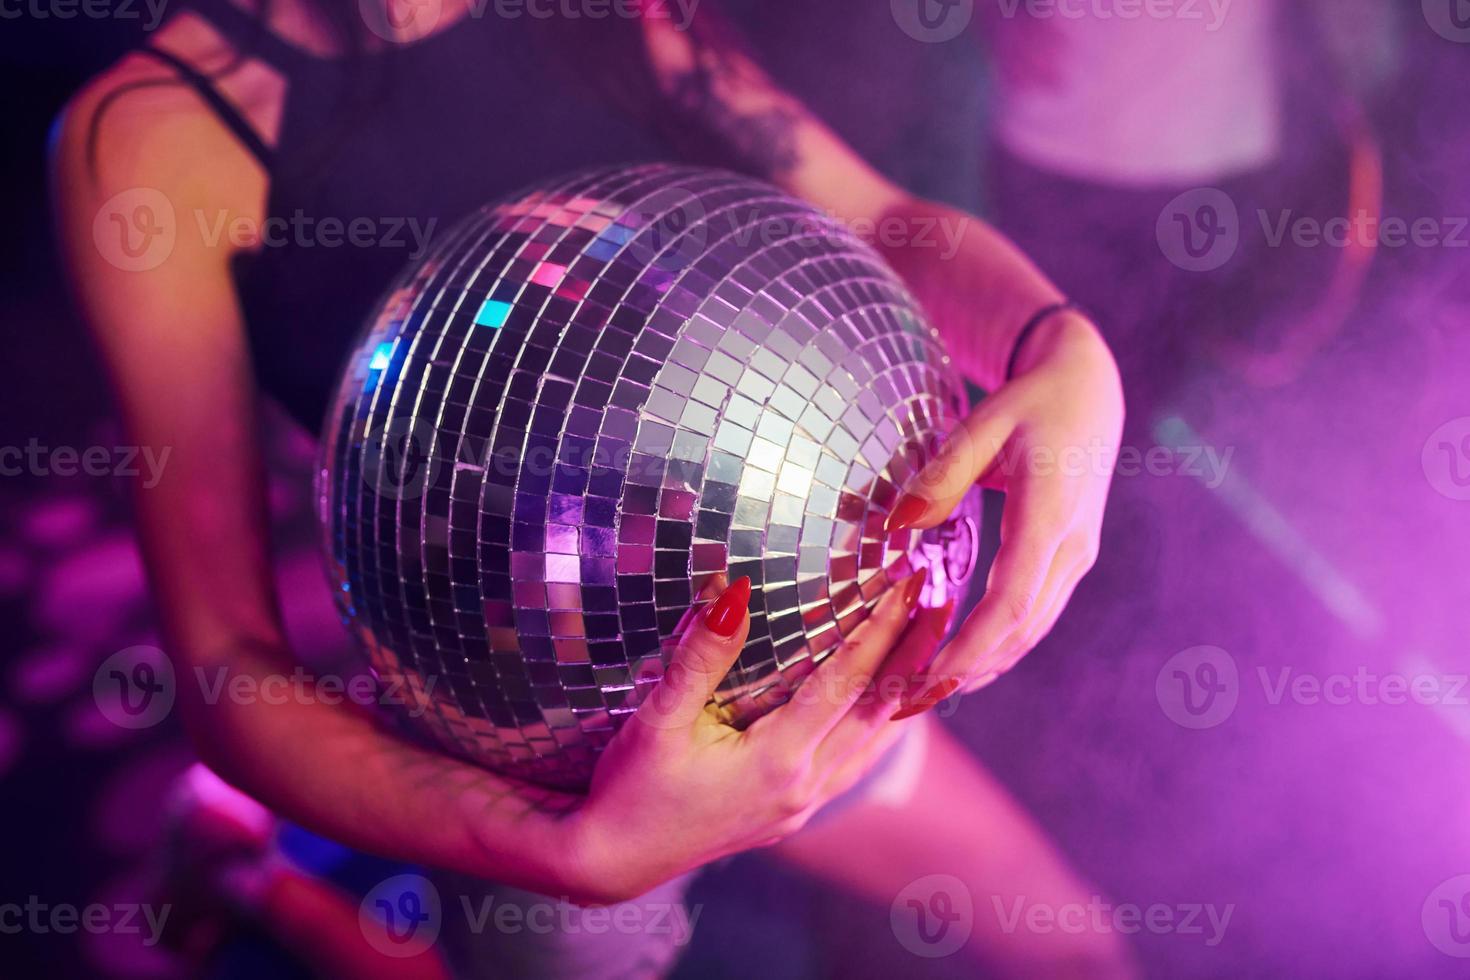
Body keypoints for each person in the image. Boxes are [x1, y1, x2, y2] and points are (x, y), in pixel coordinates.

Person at [51, 1, 1129, 975]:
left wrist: (1060, 344)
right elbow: (229, 664)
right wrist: (566, 850)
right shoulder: (150, 141)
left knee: (1080, 951)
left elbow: (885, 224)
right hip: (532, 758)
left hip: (806, 662)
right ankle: (252, 876)